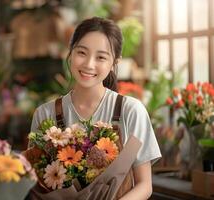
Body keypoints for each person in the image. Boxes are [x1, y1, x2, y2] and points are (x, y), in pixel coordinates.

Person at [29, 17, 161, 200]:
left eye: (101, 57)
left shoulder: (131, 111)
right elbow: (37, 185)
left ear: (115, 62)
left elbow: (144, 185)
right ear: (71, 52)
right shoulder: (44, 114)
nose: (89, 64)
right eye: (82, 53)